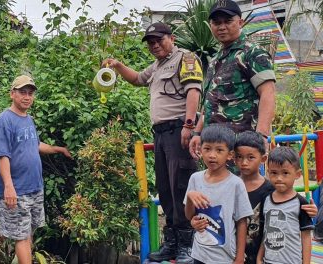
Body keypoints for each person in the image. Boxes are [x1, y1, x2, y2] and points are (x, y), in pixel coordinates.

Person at [102, 21, 203, 263]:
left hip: (179, 130)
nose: (154, 45)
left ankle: (187, 245)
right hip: (160, 134)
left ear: (172, 38)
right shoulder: (158, 65)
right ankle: (171, 243)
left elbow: (194, 91)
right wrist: (116, 65)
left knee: (181, 186)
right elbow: (137, 79)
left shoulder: (185, 59)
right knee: (165, 188)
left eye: (159, 39)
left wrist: (189, 126)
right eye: (150, 42)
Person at [0, 74, 72, 264]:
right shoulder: (4, 121)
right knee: (21, 236)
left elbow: (35, 145)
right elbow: (2, 155)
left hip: (34, 187)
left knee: (27, 232)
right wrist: (8, 187)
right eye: (22, 92)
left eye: (30, 93)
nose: (27, 97)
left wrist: (58, 149)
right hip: (17, 190)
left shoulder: (28, 119)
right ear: (12, 94)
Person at [189, 0, 276, 160]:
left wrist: (262, 135)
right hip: (215, 148)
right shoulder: (215, 59)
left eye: (228, 21)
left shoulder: (252, 53)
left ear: (240, 22)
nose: (222, 27)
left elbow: (268, 93)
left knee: (244, 185)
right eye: (216, 22)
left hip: (241, 147)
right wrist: (197, 132)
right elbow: (210, 102)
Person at [233, 131, 317, 263]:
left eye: (250, 157)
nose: (244, 162)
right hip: (235, 252)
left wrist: (309, 209)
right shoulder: (231, 186)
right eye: (239, 157)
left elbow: (289, 201)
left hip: (269, 257)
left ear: (263, 159)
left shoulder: (271, 189)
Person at [184, 124, 253, 264]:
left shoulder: (235, 184)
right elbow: (189, 216)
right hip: (199, 254)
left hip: (225, 257)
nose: (212, 155)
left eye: (219, 150)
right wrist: (190, 198)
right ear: (200, 150)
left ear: (230, 155)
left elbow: (241, 222)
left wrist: (239, 257)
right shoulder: (195, 179)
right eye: (207, 149)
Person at [257, 147, 314, 264]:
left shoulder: (300, 202)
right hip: (268, 261)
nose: (279, 178)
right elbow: (266, 232)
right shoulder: (266, 199)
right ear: (268, 173)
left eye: (285, 173)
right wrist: (259, 257)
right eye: (274, 173)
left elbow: (306, 236)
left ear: (297, 174)